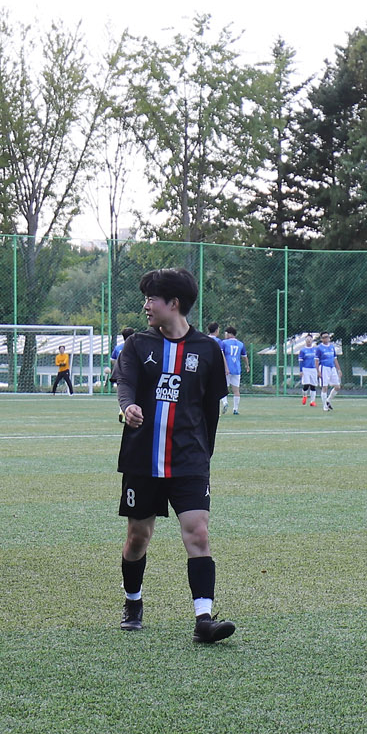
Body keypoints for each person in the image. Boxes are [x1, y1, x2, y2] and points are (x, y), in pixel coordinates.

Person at [114, 268, 234, 643]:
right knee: (138, 537)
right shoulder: (136, 345)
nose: (145, 305)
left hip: (189, 462)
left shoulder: (208, 350)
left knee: (198, 532)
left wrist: (204, 453)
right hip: (143, 459)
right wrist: (129, 406)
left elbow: (211, 408)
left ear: (174, 303)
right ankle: (133, 601)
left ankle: (204, 619)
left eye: (152, 298)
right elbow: (127, 384)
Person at [219, 324, 247, 415]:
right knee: (236, 391)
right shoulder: (241, 344)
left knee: (223, 389)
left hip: (226, 369)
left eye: (226, 333)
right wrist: (247, 365)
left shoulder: (224, 342)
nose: (225, 335)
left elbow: (221, 354)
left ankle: (225, 403)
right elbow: (244, 357)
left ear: (229, 334)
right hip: (236, 369)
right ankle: (235, 409)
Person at [314, 333, 340, 410]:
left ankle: (328, 400)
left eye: (327, 337)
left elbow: (335, 359)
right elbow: (316, 361)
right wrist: (318, 371)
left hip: (332, 367)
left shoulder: (332, 347)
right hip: (324, 368)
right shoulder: (319, 348)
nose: (326, 338)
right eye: (324, 337)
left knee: (337, 386)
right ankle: (325, 406)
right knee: (324, 387)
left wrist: (338, 369)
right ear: (321, 339)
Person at [297, 338, 318, 405]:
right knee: (306, 385)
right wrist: (301, 370)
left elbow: (318, 360)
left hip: (313, 369)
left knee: (313, 385)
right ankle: (305, 396)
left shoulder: (315, 349)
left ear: (312, 341)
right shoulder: (303, 350)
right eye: (307, 340)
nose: (309, 341)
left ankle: (312, 401)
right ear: (305, 341)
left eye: (310, 340)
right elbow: (300, 361)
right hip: (306, 369)